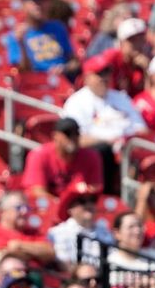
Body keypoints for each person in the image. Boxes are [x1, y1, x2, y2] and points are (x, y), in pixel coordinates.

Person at [62, 54, 146, 193]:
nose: (104, 78)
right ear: (87, 77)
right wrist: (109, 141)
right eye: (99, 74)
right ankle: (106, 195)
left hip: (128, 148)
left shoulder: (121, 98)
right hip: (100, 153)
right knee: (102, 150)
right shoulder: (76, 102)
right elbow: (75, 139)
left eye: (107, 73)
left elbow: (142, 130)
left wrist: (125, 141)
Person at [4, 0, 78, 76]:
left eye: (41, 0)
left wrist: (64, 68)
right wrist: (21, 44)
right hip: (35, 85)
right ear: (24, 4)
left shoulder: (57, 27)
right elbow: (22, 71)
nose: (39, 5)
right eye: (34, 2)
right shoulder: (16, 35)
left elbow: (75, 62)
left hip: (63, 82)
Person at [21, 117, 104, 198]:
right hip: (49, 207)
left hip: (78, 206)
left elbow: (95, 189)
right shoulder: (39, 155)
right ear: (55, 136)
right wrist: (62, 206)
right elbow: (38, 192)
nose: (72, 138)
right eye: (68, 134)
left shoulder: (91, 156)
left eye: (76, 134)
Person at [0, 191, 56, 264]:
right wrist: (35, 252)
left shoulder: (34, 233)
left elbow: (50, 252)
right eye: (19, 208)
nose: (25, 212)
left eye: (27, 208)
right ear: (3, 212)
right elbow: (0, 257)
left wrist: (19, 245)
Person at [47, 182, 113, 266]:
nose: (89, 204)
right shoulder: (58, 232)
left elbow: (112, 260)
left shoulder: (105, 232)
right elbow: (63, 264)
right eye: (82, 201)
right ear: (70, 209)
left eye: (92, 200)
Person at [103, 18, 150, 97]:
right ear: (121, 43)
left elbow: (150, 99)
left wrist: (147, 71)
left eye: (141, 39)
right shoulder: (111, 58)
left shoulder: (146, 61)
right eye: (132, 40)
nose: (138, 44)